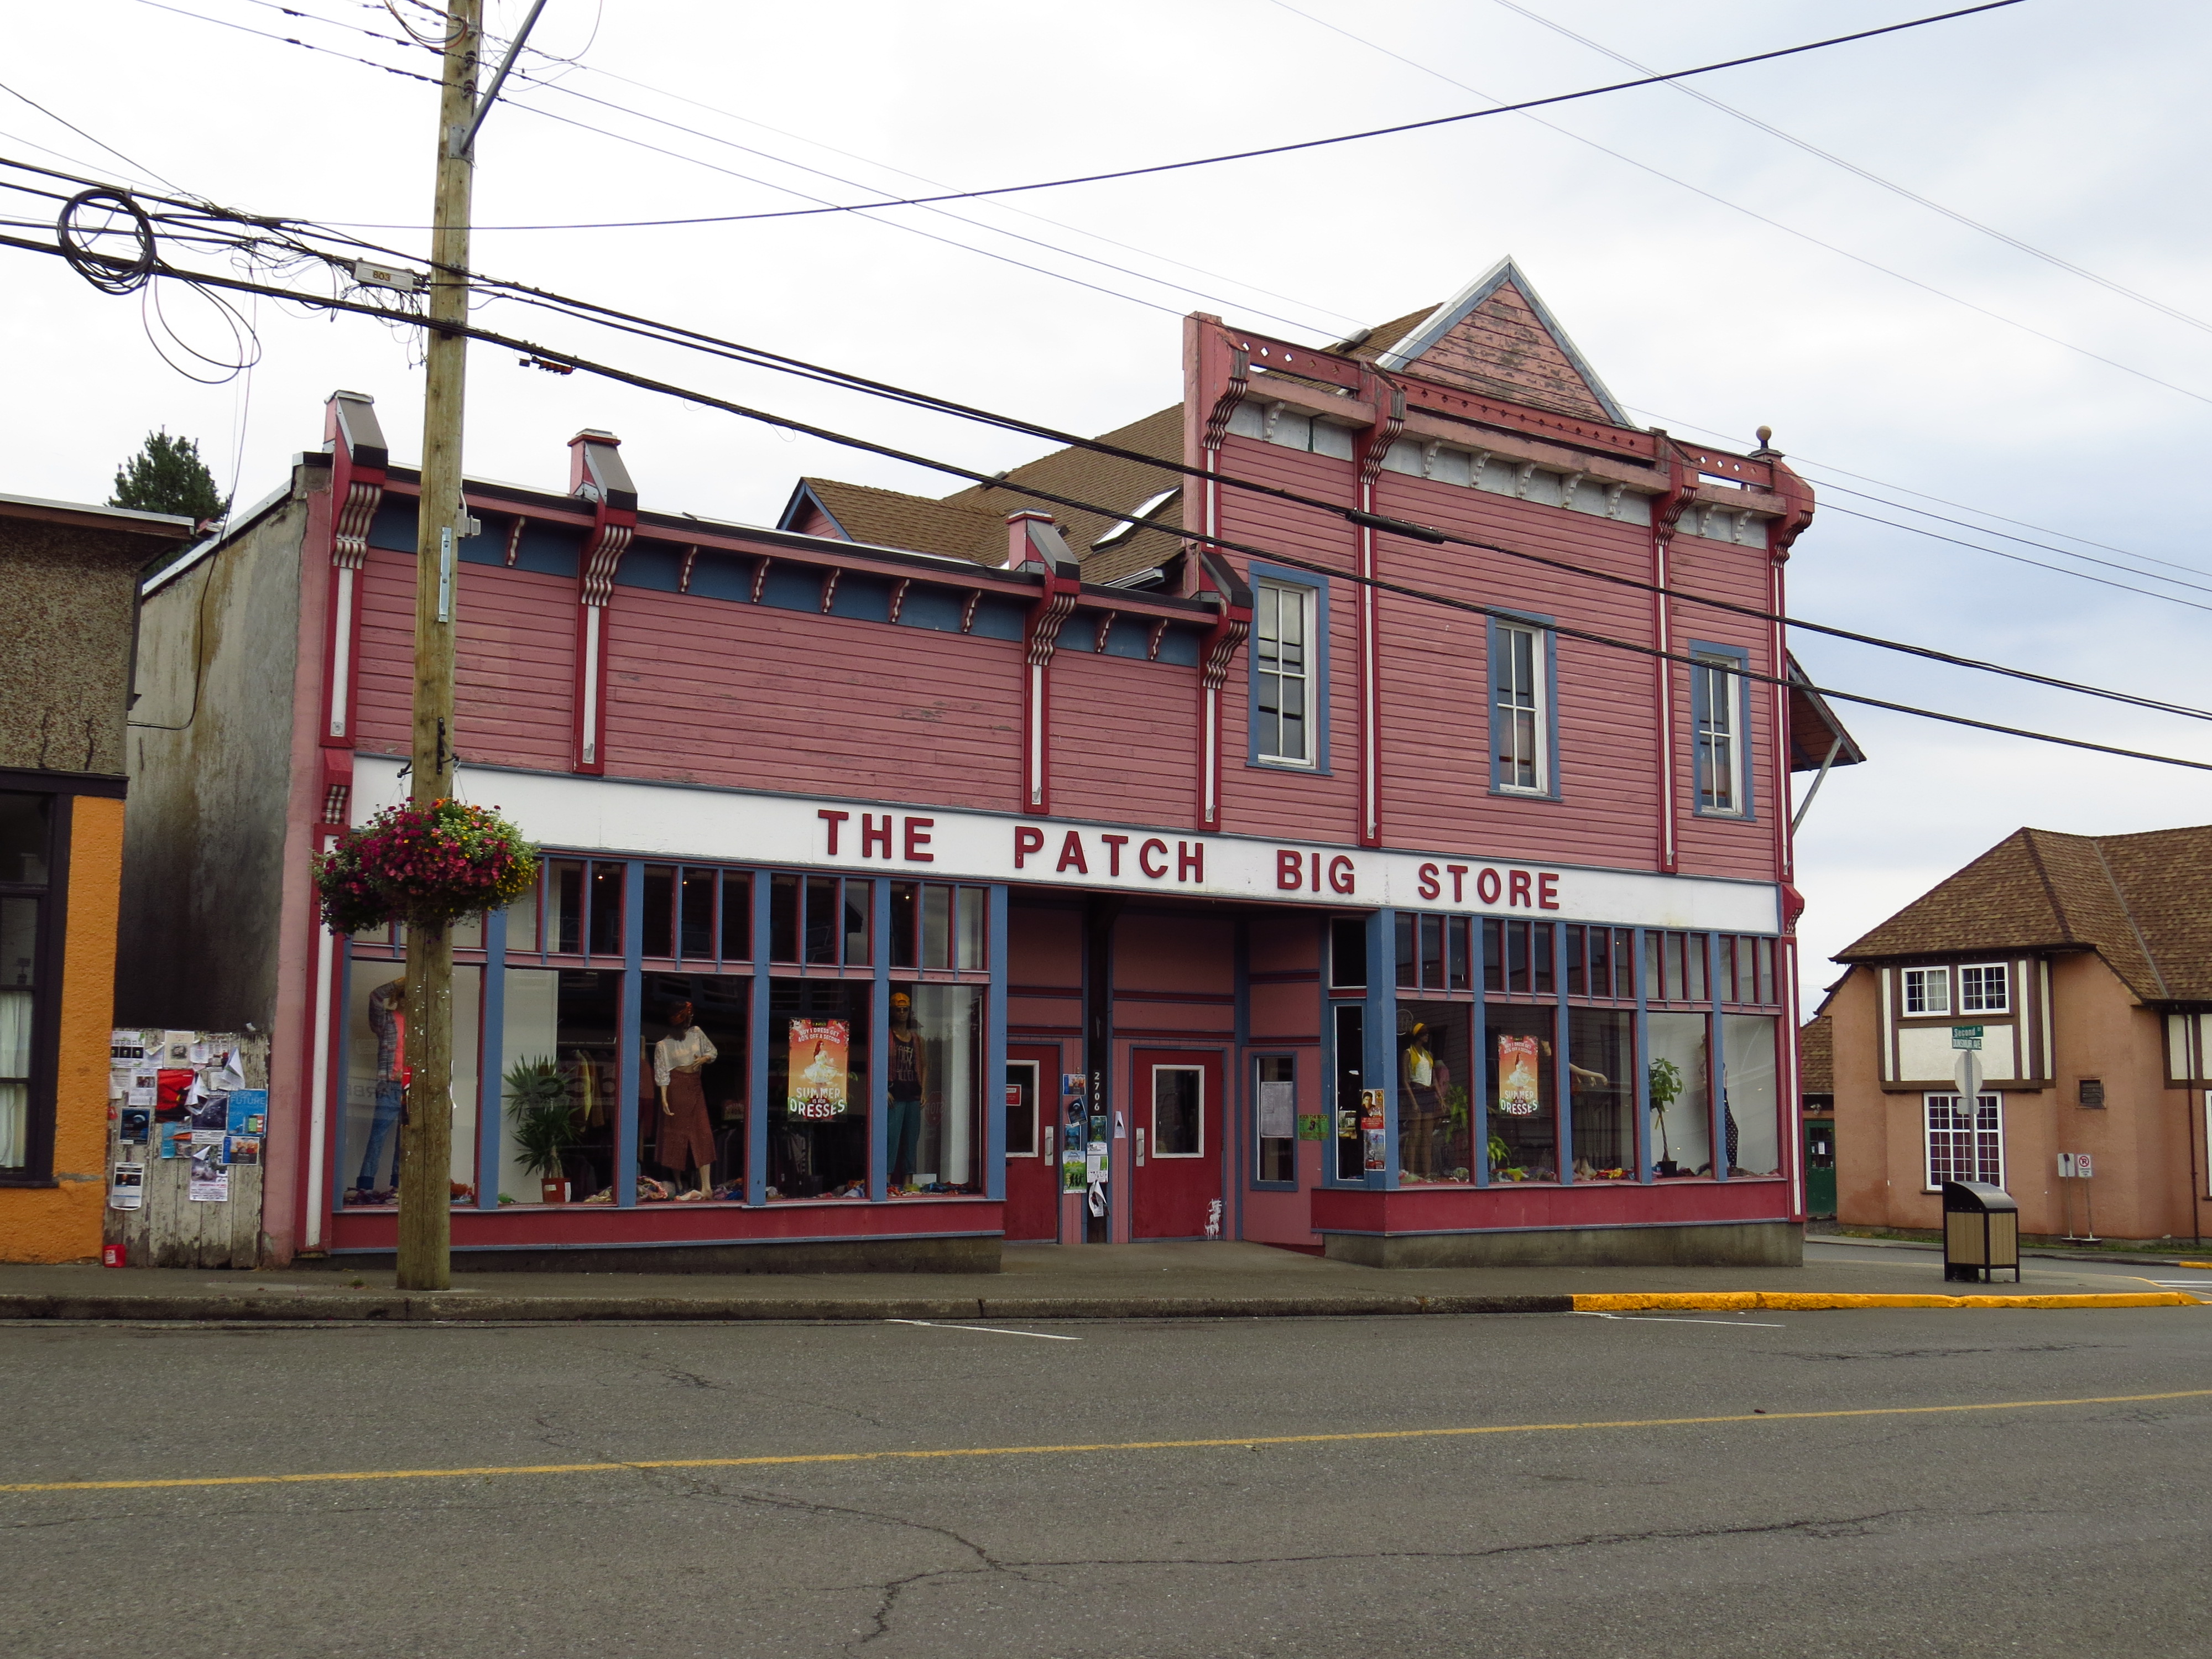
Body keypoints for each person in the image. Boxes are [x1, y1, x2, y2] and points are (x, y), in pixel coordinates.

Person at [654, 999, 718, 1198]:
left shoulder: (697, 1034)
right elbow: (662, 1073)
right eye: (689, 1016)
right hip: (676, 1089)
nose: (692, 1019)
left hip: (695, 1086)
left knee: (702, 1133)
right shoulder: (663, 1045)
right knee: (677, 1135)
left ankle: (706, 1186)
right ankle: (679, 1182)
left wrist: (704, 1059)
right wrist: (664, 1097)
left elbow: (712, 1052)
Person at [353, 978, 406, 1200]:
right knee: (378, 1135)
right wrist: (400, 982)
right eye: (408, 994)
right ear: (400, 997)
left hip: (411, 1087)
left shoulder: (422, 1025)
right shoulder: (387, 1020)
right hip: (390, 1085)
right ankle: (365, 1185)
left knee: (405, 1139)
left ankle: (398, 1184)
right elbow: (376, 996)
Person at [886, 990, 928, 1187]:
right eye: (898, 1009)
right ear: (892, 1011)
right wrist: (883, 1090)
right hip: (894, 1094)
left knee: (912, 1141)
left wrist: (924, 1091)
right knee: (891, 1139)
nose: (902, 1012)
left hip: (913, 1094)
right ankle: (886, 1183)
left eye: (905, 1009)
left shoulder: (916, 1039)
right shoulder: (886, 1037)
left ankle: (908, 1182)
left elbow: (924, 1065)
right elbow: (877, 1064)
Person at [1400, 1022, 1449, 1178]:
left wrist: (1440, 1098)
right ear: (1419, 1036)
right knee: (1414, 1136)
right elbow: (1405, 1080)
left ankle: (1427, 1173)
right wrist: (1413, 1101)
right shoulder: (1408, 1053)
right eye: (1425, 1034)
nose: (1427, 1037)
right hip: (1416, 1091)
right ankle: (1411, 1172)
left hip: (1428, 1094)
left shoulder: (1429, 1055)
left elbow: (1434, 1078)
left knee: (1428, 1137)